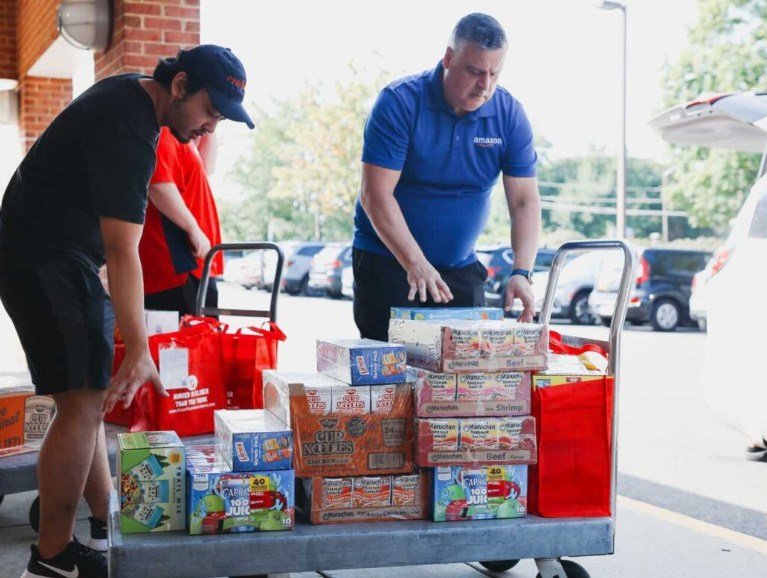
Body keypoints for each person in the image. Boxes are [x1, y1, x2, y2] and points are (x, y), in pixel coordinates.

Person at [0, 45, 253, 578]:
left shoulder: (135, 102)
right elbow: (123, 249)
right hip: (43, 258)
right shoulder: (129, 124)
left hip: (52, 255)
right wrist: (138, 349)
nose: (208, 127)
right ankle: (50, 560)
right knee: (81, 404)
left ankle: (99, 527)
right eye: (210, 110)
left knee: (88, 396)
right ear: (180, 85)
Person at [353, 13, 541, 341]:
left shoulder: (509, 115)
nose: (485, 86)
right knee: (395, 382)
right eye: (474, 71)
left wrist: (522, 272)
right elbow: (376, 195)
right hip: (389, 262)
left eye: (494, 74)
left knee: (468, 375)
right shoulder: (399, 102)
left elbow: (524, 202)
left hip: (458, 268)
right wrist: (415, 262)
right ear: (449, 58)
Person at [139, 128, 224, 316]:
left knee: (203, 337)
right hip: (179, 263)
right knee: (184, 341)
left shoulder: (185, 140)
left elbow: (208, 167)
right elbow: (158, 185)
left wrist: (211, 123)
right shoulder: (165, 132)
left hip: (194, 262)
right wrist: (193, 229)